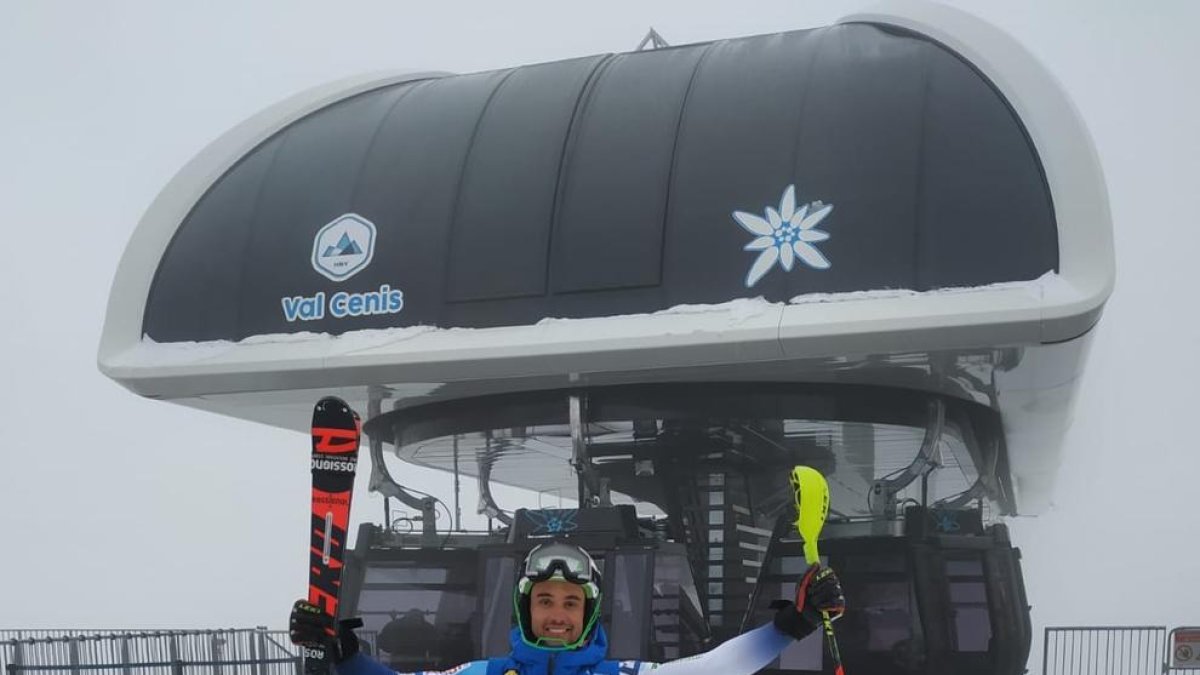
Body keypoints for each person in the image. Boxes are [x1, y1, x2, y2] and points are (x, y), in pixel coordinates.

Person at [290, 541, 845, 675]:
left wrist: (791, 626)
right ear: (526, 608)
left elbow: (715, 669)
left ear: (588, 613)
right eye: (547, 601)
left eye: (571, 603)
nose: (558, 613)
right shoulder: (483, 673)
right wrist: (343, 654)